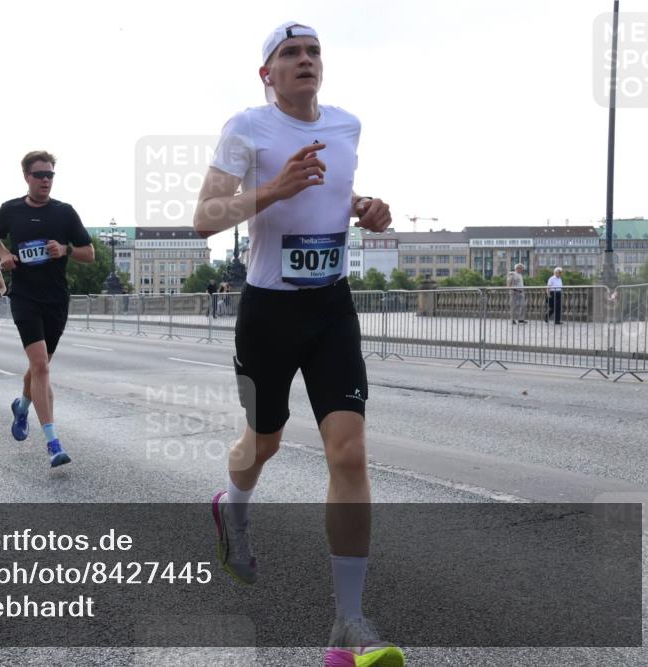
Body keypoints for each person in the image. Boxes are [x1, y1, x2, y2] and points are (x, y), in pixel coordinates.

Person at [193, 22, 405, 665]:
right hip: (268, 312)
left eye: (313, 51)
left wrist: (367, 208)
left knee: (349, 453)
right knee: (265, 442)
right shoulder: (246, 129)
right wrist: (272, 190)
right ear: (268, 74)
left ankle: (349, 623)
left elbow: (332, 199)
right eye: (290, 53)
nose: (305, 60)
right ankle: (233, 505)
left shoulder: (347, 126)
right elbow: (203, 218)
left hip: (330, 307)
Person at [0, 150, 95, 468]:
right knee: (42, 368)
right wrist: (4, 255)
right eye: (40, 175)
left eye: (50, 175)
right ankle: (52, 442)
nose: (46, 180)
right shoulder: (12, 210)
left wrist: (66, 249)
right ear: (27, 177)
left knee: (39, 367)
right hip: (24, 297)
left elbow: (89, 253)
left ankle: (22, 406)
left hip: (56, 300)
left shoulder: (65, 213)